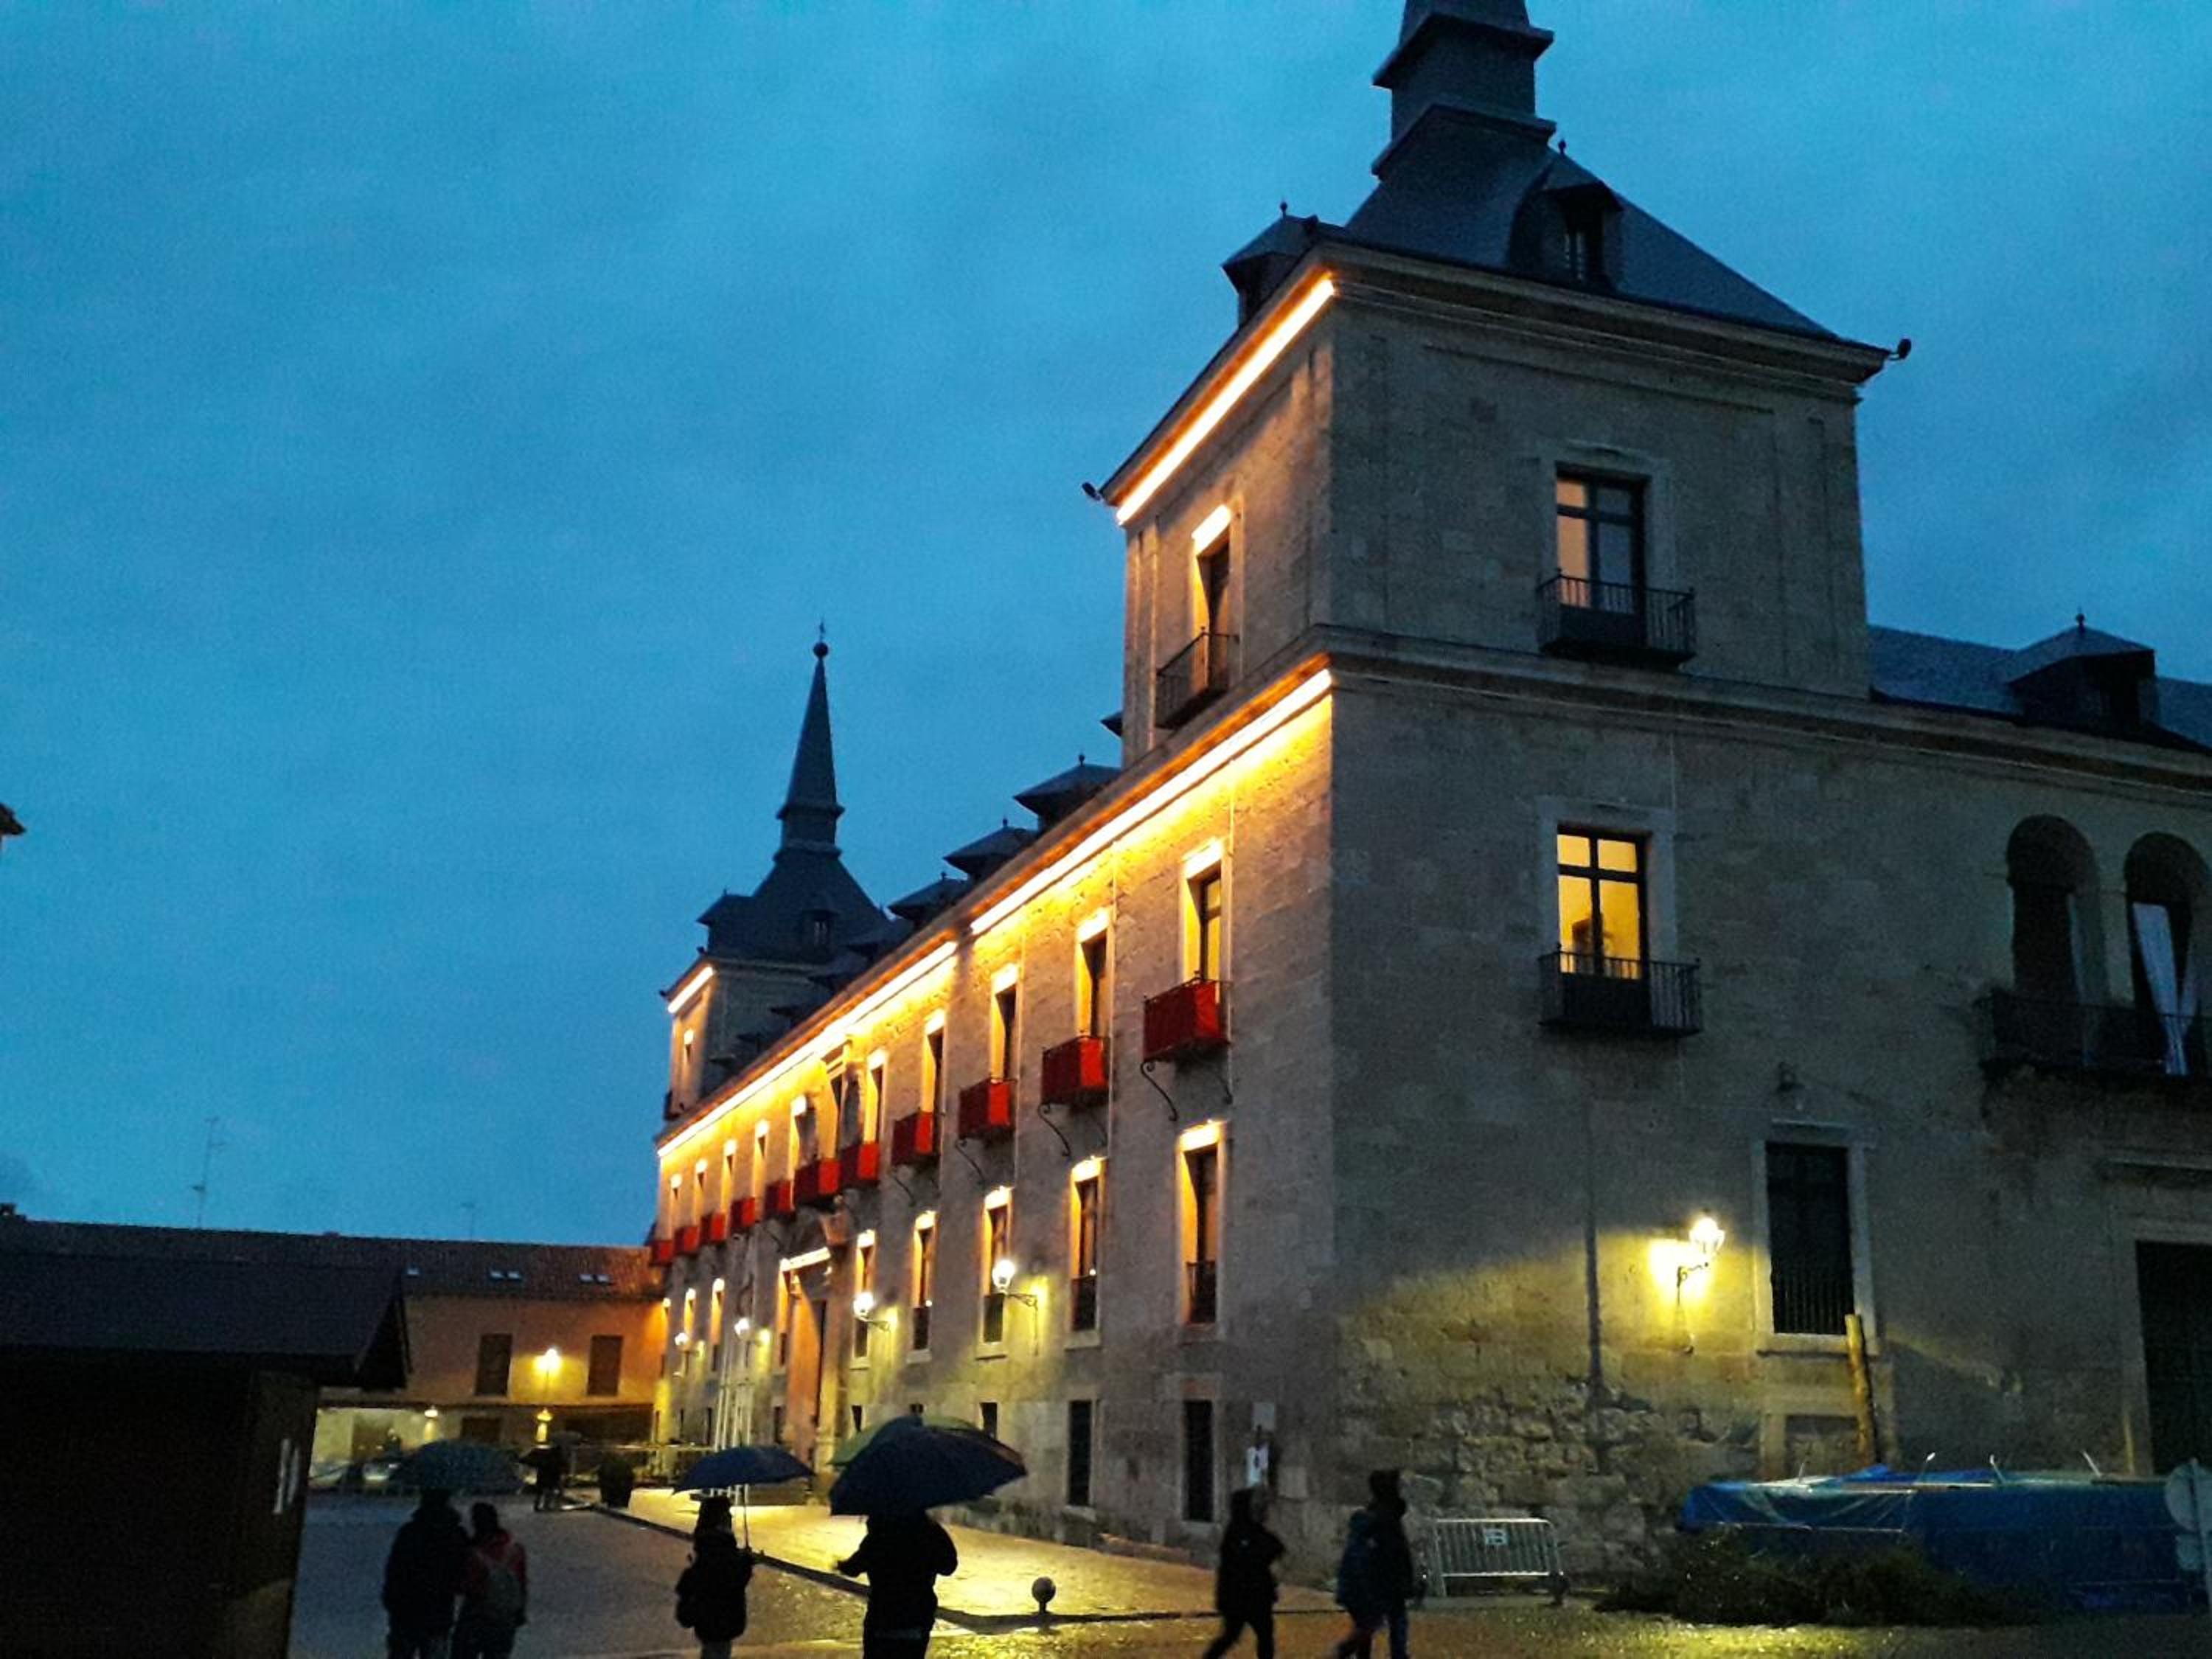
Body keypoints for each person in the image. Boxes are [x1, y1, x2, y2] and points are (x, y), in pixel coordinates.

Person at [836, 1510, 959, 1658]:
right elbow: (948, 1567)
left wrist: (840, 1565)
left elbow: (853, 1567)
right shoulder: (928, 1533)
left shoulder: (880, 1536)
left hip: (883, 1614)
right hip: (917, 1613)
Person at [1331, 1470, 1416, 1659]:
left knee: (1369, 1625)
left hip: (1377, 1581)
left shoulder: (1376, 1517)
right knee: (1384, 1622)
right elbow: (1394, 1553)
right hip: (1384, 1580)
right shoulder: (1385, 1520)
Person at [382, 1487, 470, 1659]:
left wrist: (391, 1598)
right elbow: (462, 1570)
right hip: (439, 1607)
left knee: (402, 1650)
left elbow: (395, 1569)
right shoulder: (456, 1534)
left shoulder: (410, 1532)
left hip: (406, 1608)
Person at [1202, 1486, 1284, 1658]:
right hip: (1244, 1595)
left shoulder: (1246, 1530)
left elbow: (1273, 1547)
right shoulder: (1240, 1532)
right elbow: (1262, 1553)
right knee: (1237, 1636)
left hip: (1249, 1595)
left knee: (1259, 1635)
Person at [453, 1502, 529, 1659]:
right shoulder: (515, 1549)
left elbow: (466, 1586)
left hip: (477, 1615)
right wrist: (520, 1610)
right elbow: (521, 1581)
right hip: (505, 1616)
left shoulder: (473, 1553)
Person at [675, 1526, 757, 1659]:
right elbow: (743, 1574)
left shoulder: (699, 1569)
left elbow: (685, 1590)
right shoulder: (733, 1569)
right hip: (729, 1623)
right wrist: (747, 1559)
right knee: (721, 1650)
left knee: (713, 1651)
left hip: (706, 1624)